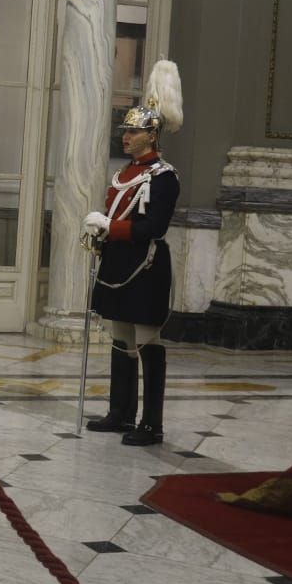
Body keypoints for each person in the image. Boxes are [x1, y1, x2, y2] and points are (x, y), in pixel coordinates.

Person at [83, 60, 183, 447]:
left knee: (146, 342)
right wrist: (100, 233)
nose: (125, 136)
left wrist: (112, 227)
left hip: (146, 266)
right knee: (119, 338)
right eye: (125, 130)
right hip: (118, 263)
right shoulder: (124, 174)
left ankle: (151, 423)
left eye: (133, 131)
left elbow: (153, 227)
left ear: (151, 135)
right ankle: (120, 412)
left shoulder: (163, 177)